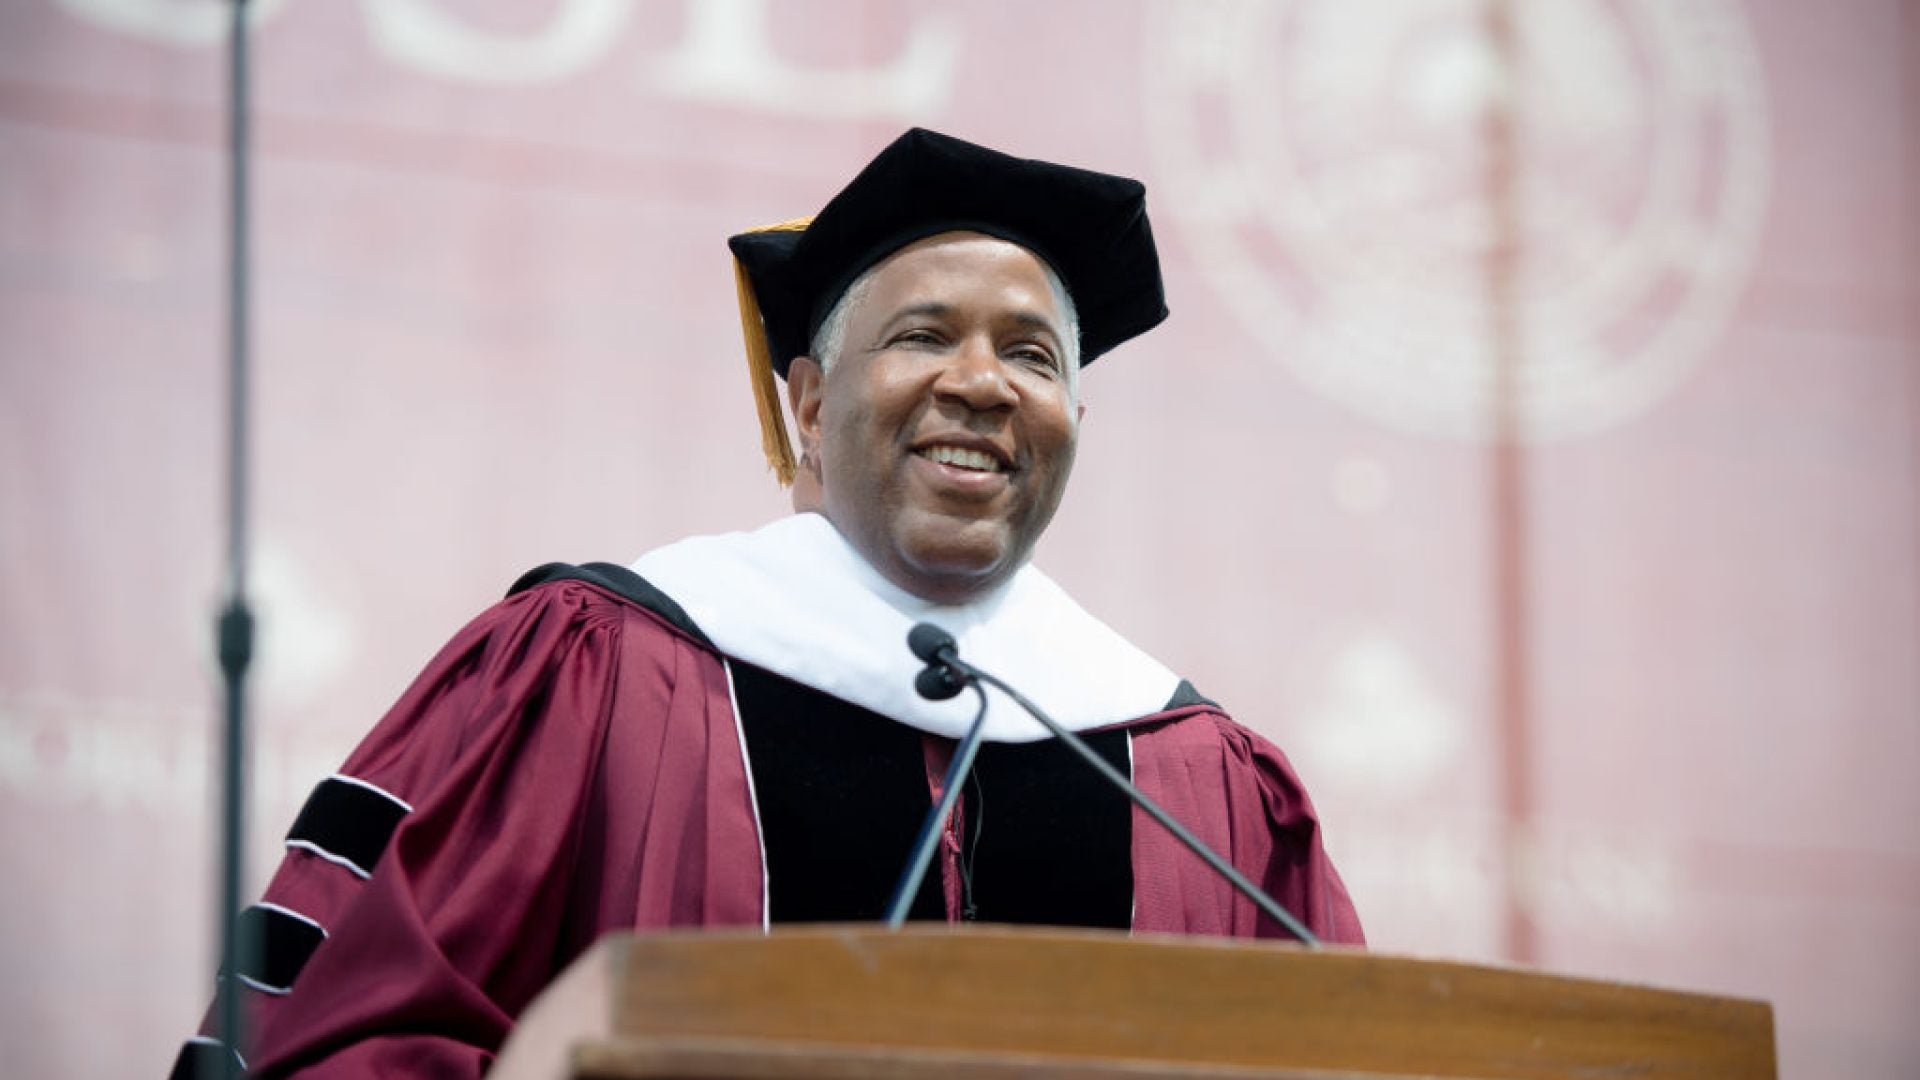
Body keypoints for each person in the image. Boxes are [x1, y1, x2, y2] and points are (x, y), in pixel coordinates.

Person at [170, 128, 1364, 1079]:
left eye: (1032, 355)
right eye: (922, 335)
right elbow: (351, 1029)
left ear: (1073, 425)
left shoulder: (1198, 779)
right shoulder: (594, 667)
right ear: (809, 403)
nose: (981, 384)